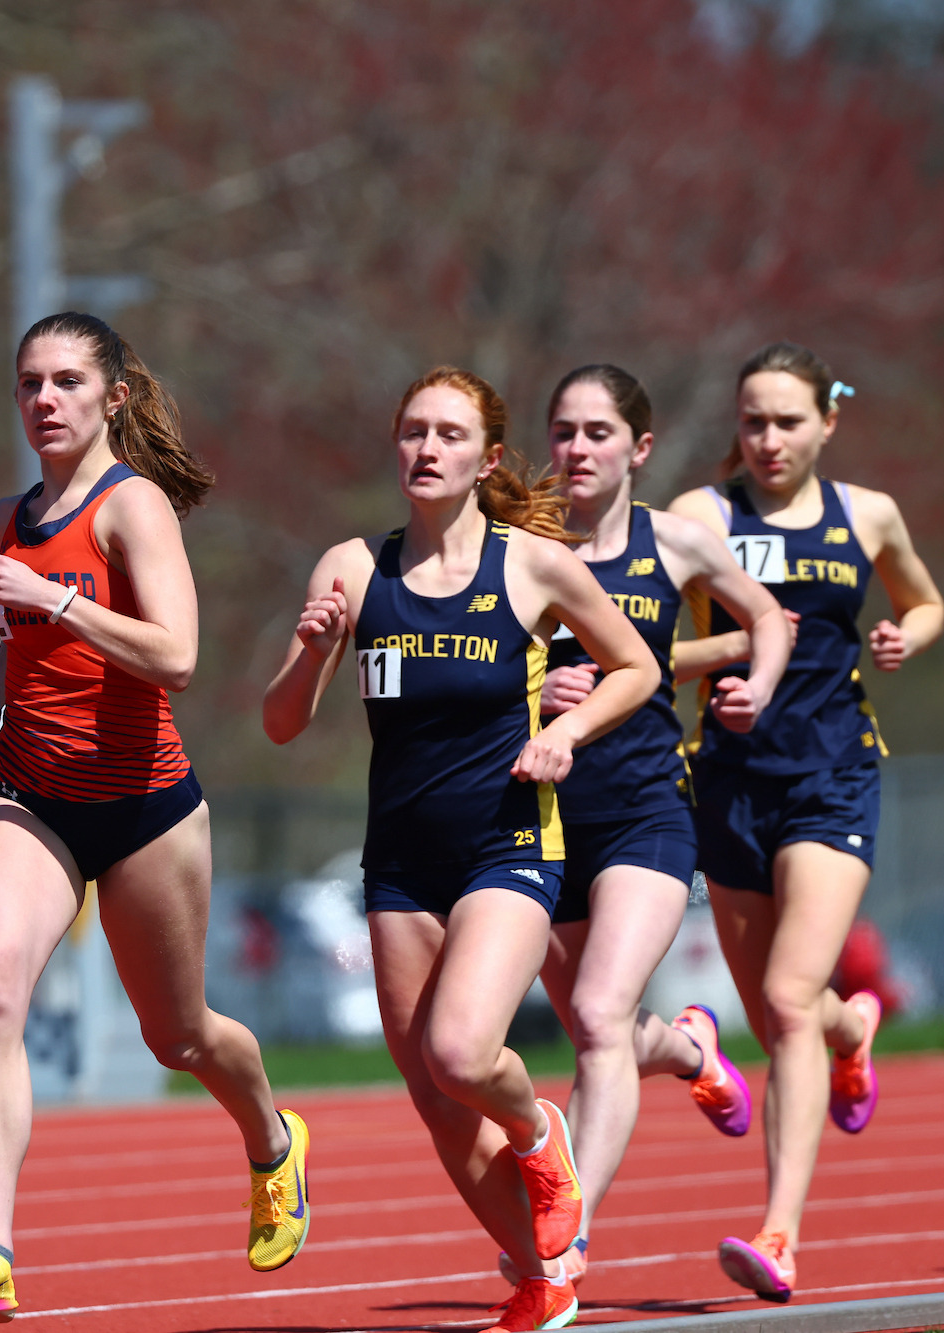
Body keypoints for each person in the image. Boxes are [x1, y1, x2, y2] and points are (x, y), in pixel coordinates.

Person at [0, 312, 308, 1323]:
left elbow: (175, 655)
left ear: (112, 398)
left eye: (64, 382)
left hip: (145, 811)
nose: (43, 400)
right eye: (27, 385)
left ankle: (272, 1138)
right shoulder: (13, 513)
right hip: (31, 797)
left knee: (176, 1038)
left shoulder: (132, 508)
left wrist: (49, 600)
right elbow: (25, 636)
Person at [263, 366, 661, 1333]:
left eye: (448, 434)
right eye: (412, 431)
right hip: (399, 863)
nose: (427, 449)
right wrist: (315, 648)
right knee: (437, 1097)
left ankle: (536, 1127)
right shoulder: (354, 568)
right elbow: (280, 723)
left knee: (460, 1051)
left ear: (486, 459)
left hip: (508, 844)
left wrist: (567, 734)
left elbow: (638, 666)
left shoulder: (532, 565)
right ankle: (541, 1273)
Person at [667, 342, 944, 1303]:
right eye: (753, 420)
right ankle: (852, 1028)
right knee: (781, 1010)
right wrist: (739, 647)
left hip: (832, 776)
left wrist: (911, 631)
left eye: (788, 420)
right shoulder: (703, 517)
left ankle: (780, 1235)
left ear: (829, 421)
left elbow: (926, 595)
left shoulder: (867, 514)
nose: (769, 438)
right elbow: (650, 647)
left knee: (785, 995)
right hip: (730, 780)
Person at [512, 364, 792, 1289]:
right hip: (545, 821)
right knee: (611, 1030)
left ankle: (569, 1228)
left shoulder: (676, 543)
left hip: (646, 812)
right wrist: (534, 693)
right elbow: (475, 681)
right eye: (563, 432)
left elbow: (766, 616)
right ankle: (691, 1048)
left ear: (638, 448)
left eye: (597, 433)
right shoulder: (518, 547)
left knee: (596, 1018)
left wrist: (757, 684)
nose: (577, 450)